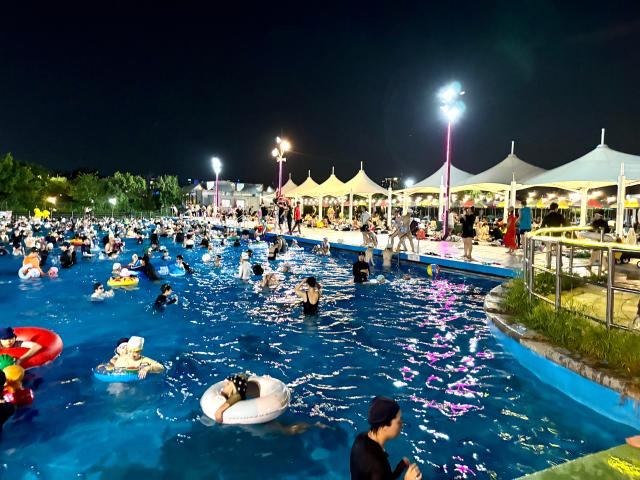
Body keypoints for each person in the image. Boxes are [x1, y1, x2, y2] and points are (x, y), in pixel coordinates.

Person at [350, 396, 422, 480]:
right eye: (399, 422)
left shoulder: (361, 438)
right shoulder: (379, 466)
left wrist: (399, 469)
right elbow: (380, 473)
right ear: (383, 427)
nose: (402, 424)